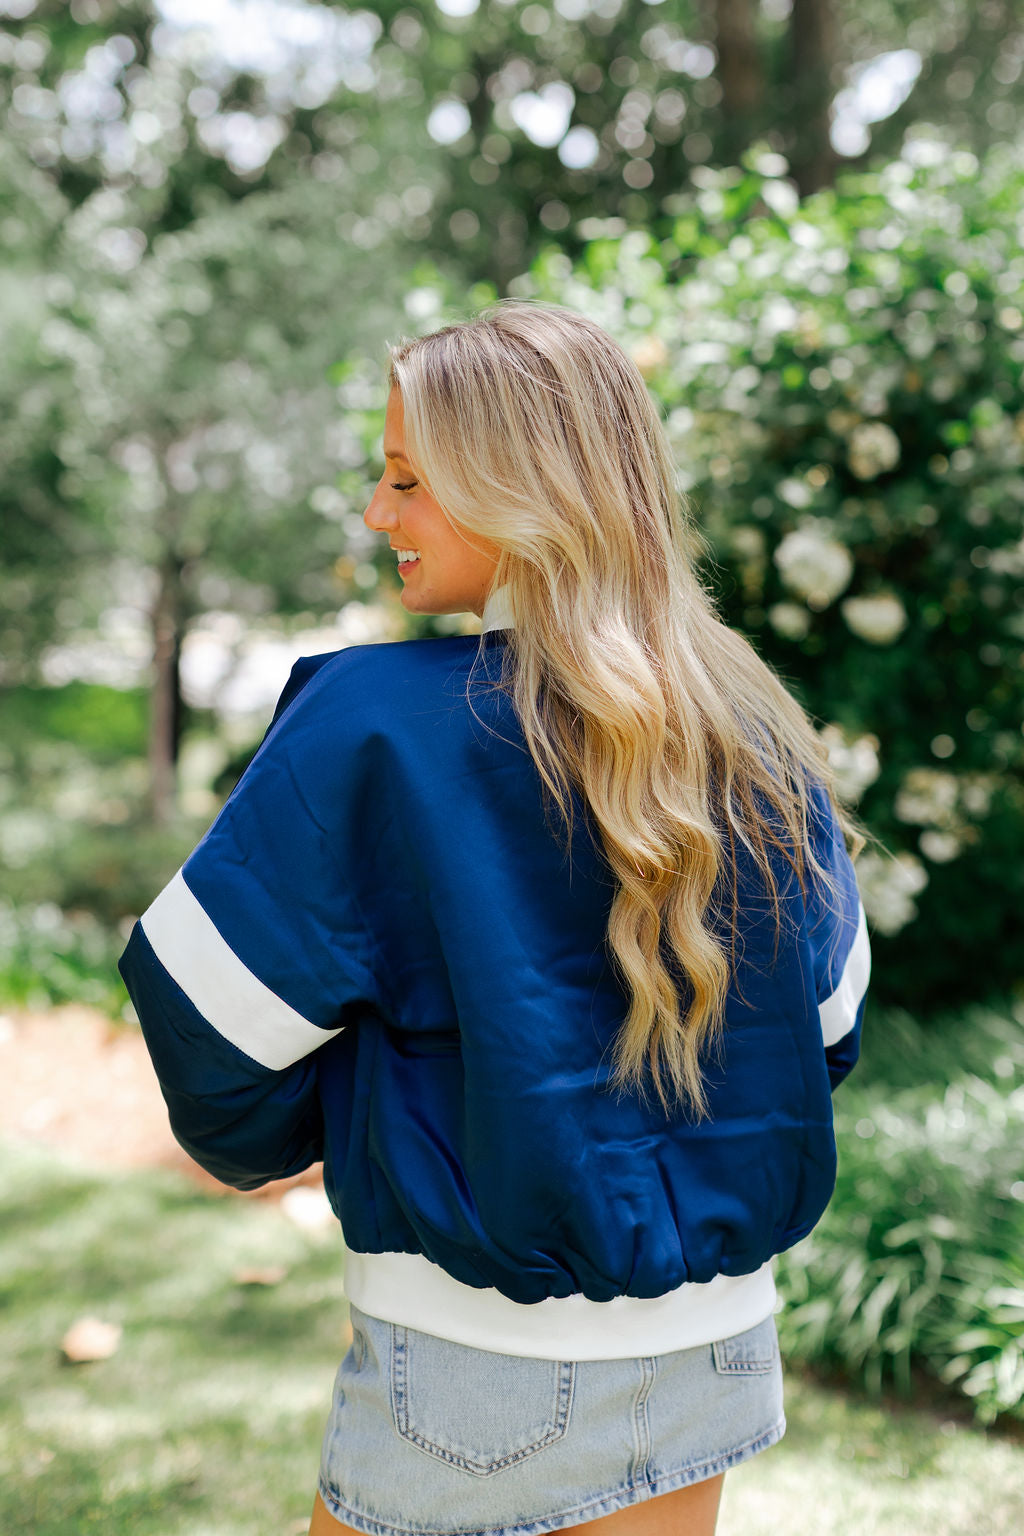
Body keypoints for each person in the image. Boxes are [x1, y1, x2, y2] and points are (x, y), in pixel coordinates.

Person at [118, 299, 872, 1536]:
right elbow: (825, 1025)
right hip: (718, 1351)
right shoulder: (748, 726)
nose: (377, 513)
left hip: (472, 1355)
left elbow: (211, 1027)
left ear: (522, 490)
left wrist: (363, 1122)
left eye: (408, 479)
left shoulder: (372, 727)